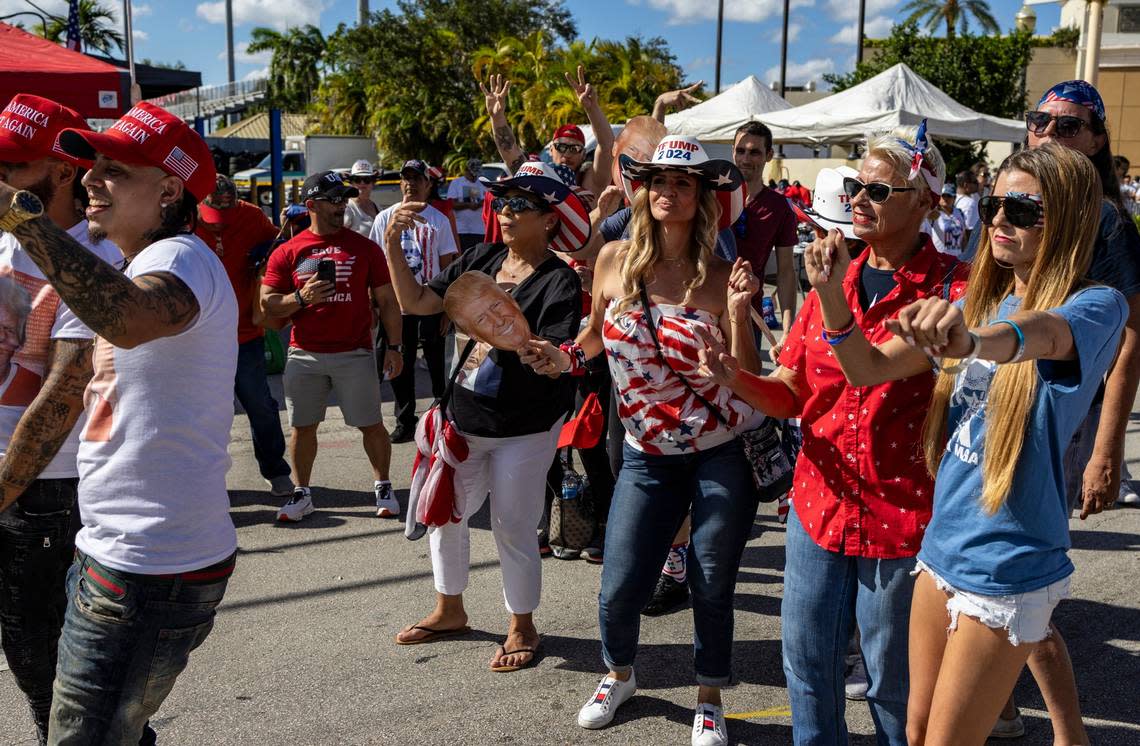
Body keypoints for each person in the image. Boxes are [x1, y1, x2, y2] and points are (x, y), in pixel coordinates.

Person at [795, 143, 1126, 746]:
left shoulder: (1097, 305)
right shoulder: (986, 298)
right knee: (915, 731)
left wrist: (971, 342)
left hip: (1005, 561)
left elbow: (1039, 336)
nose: (998, 218)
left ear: (1070, 220)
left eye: (1023, 209)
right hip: (942, 546)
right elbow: (867, 369)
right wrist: (832, 299)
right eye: (996, 203)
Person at [699, 123, 966, 745]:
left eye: (879, 189)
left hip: (902, 512)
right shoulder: (834, 277)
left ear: (926, 200)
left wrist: (828, 293)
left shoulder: (952, 285)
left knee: (894, 680)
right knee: (807, 665)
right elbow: (794, 392)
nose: (859, 199)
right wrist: (732, 376)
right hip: (819, 502)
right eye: (855, 186)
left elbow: (870, 367)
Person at [0, 101, 238, 742]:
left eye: (115, 171)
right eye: (92, 167)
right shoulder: (136, 263)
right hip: (114, 551)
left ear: (169, 189)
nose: (89, 181)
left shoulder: (183, 257)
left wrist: (19, 217)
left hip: (151, 565)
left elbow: (130, 319)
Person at [519, 136, 761, 746]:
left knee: (710, 580)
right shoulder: (613, 261)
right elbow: (596, 335)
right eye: (659, 181)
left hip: (718, 450)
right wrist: (565, 355)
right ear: (642, 190)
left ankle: (708, 697)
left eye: (683, 183)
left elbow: (748, 369)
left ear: (701, 196)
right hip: (645, 455)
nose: (668, 192)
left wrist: (736, 314)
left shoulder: (718, 272)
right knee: (620, 582)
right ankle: (620, 674)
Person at [385, 160, 586, 676]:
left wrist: (543, 354)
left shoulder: (559, 280)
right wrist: (390, 245)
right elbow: (416, 302)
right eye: (503, 201)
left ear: (549, 218)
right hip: (464, 419)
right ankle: (449, 608)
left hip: (524, 426)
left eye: (521, 204)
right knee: (443, 511)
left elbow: (558, 350)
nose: (506, 210)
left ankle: (522, 624)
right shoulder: (481, 258)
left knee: (513, 525)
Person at [0, 94, 123, 745]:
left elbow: (63, 395)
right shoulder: (0, 241)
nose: (0, 176)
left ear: (63, 170)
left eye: (13, 164)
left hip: (50, 485)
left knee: (54, 657)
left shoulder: (94, 261)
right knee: (22, 645)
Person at [263, 171, 404, 520]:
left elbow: (387, 302)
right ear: (311, 204)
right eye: (333, 198)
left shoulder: (364, 247)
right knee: (302, 426)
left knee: (370, 423)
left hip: (355, 352)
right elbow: (268, 304)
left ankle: (383, 486)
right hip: (304, 353)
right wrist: (301, 296)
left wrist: (395, 347)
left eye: (343, 197)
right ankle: (302, 493)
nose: (341, 204)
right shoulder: (288, 252)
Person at [196, 174, 294, 497]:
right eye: (214, 218)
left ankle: (276, 470)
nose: (218, 225)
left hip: (244, 333)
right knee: (208, 413)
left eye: (225, 216)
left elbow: (280, 251)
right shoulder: (190, 218)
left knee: (260, 405)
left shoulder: (251, 216)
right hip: (202, 337)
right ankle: (209, 480)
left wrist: (284, 234)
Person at [370, 160, 458, 443]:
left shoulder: (439, 221)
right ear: (399, 184)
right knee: (398, 363)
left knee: (435, 362)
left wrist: (448, 310)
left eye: (417, 179)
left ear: (428, 185)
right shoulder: (385, 218)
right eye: (405, 179)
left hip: (430, 302)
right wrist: (374, 303)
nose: (410, 184)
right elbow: (376, 262)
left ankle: (440, 416)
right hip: (394, 305)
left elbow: (447, 267)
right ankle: (405, 420)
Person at [481, 66, 615, 196]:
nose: (567, 154)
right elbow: (510, 152)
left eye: (574, 148)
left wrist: (593, 108)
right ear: (551, 150)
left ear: (584, 154)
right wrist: (497, 118)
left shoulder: (590, 180)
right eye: (561, 147)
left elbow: (607, 146)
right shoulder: (538, 176)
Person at [731, 122, 799, 351]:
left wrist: (788, 329)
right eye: (740, 151)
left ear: (769, 155)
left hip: (750, 314)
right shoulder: (710, 197)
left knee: (746, 383)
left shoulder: (780, 207)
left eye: (754, 152)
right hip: (706, 309)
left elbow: (787, 271)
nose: (745, 159)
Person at [447, 158, 488, 252]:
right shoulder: (456, 183)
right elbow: (452, 204)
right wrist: (468, 205)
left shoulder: (482, 183)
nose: (474, 177)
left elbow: (488, 201)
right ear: (466, 171)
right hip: (462, 230)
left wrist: (480, 203)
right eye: (471, 174)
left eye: (476, 174)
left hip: (480, 230)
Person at [928, 183, 968, 257]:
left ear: (954, 198)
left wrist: (964, 255)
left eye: (949, 196)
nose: (945, 198)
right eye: (943, 195)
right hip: (938, 258)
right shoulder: (934, 212)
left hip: (956, 259)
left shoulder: (959, 212)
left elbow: (964, 237)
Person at [343, 159, 380, 237]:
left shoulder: (377, 207)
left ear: (373, 183)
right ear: (351, 183)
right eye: (357, 180)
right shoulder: (347, 208)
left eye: (367, 180)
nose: (362, 183)